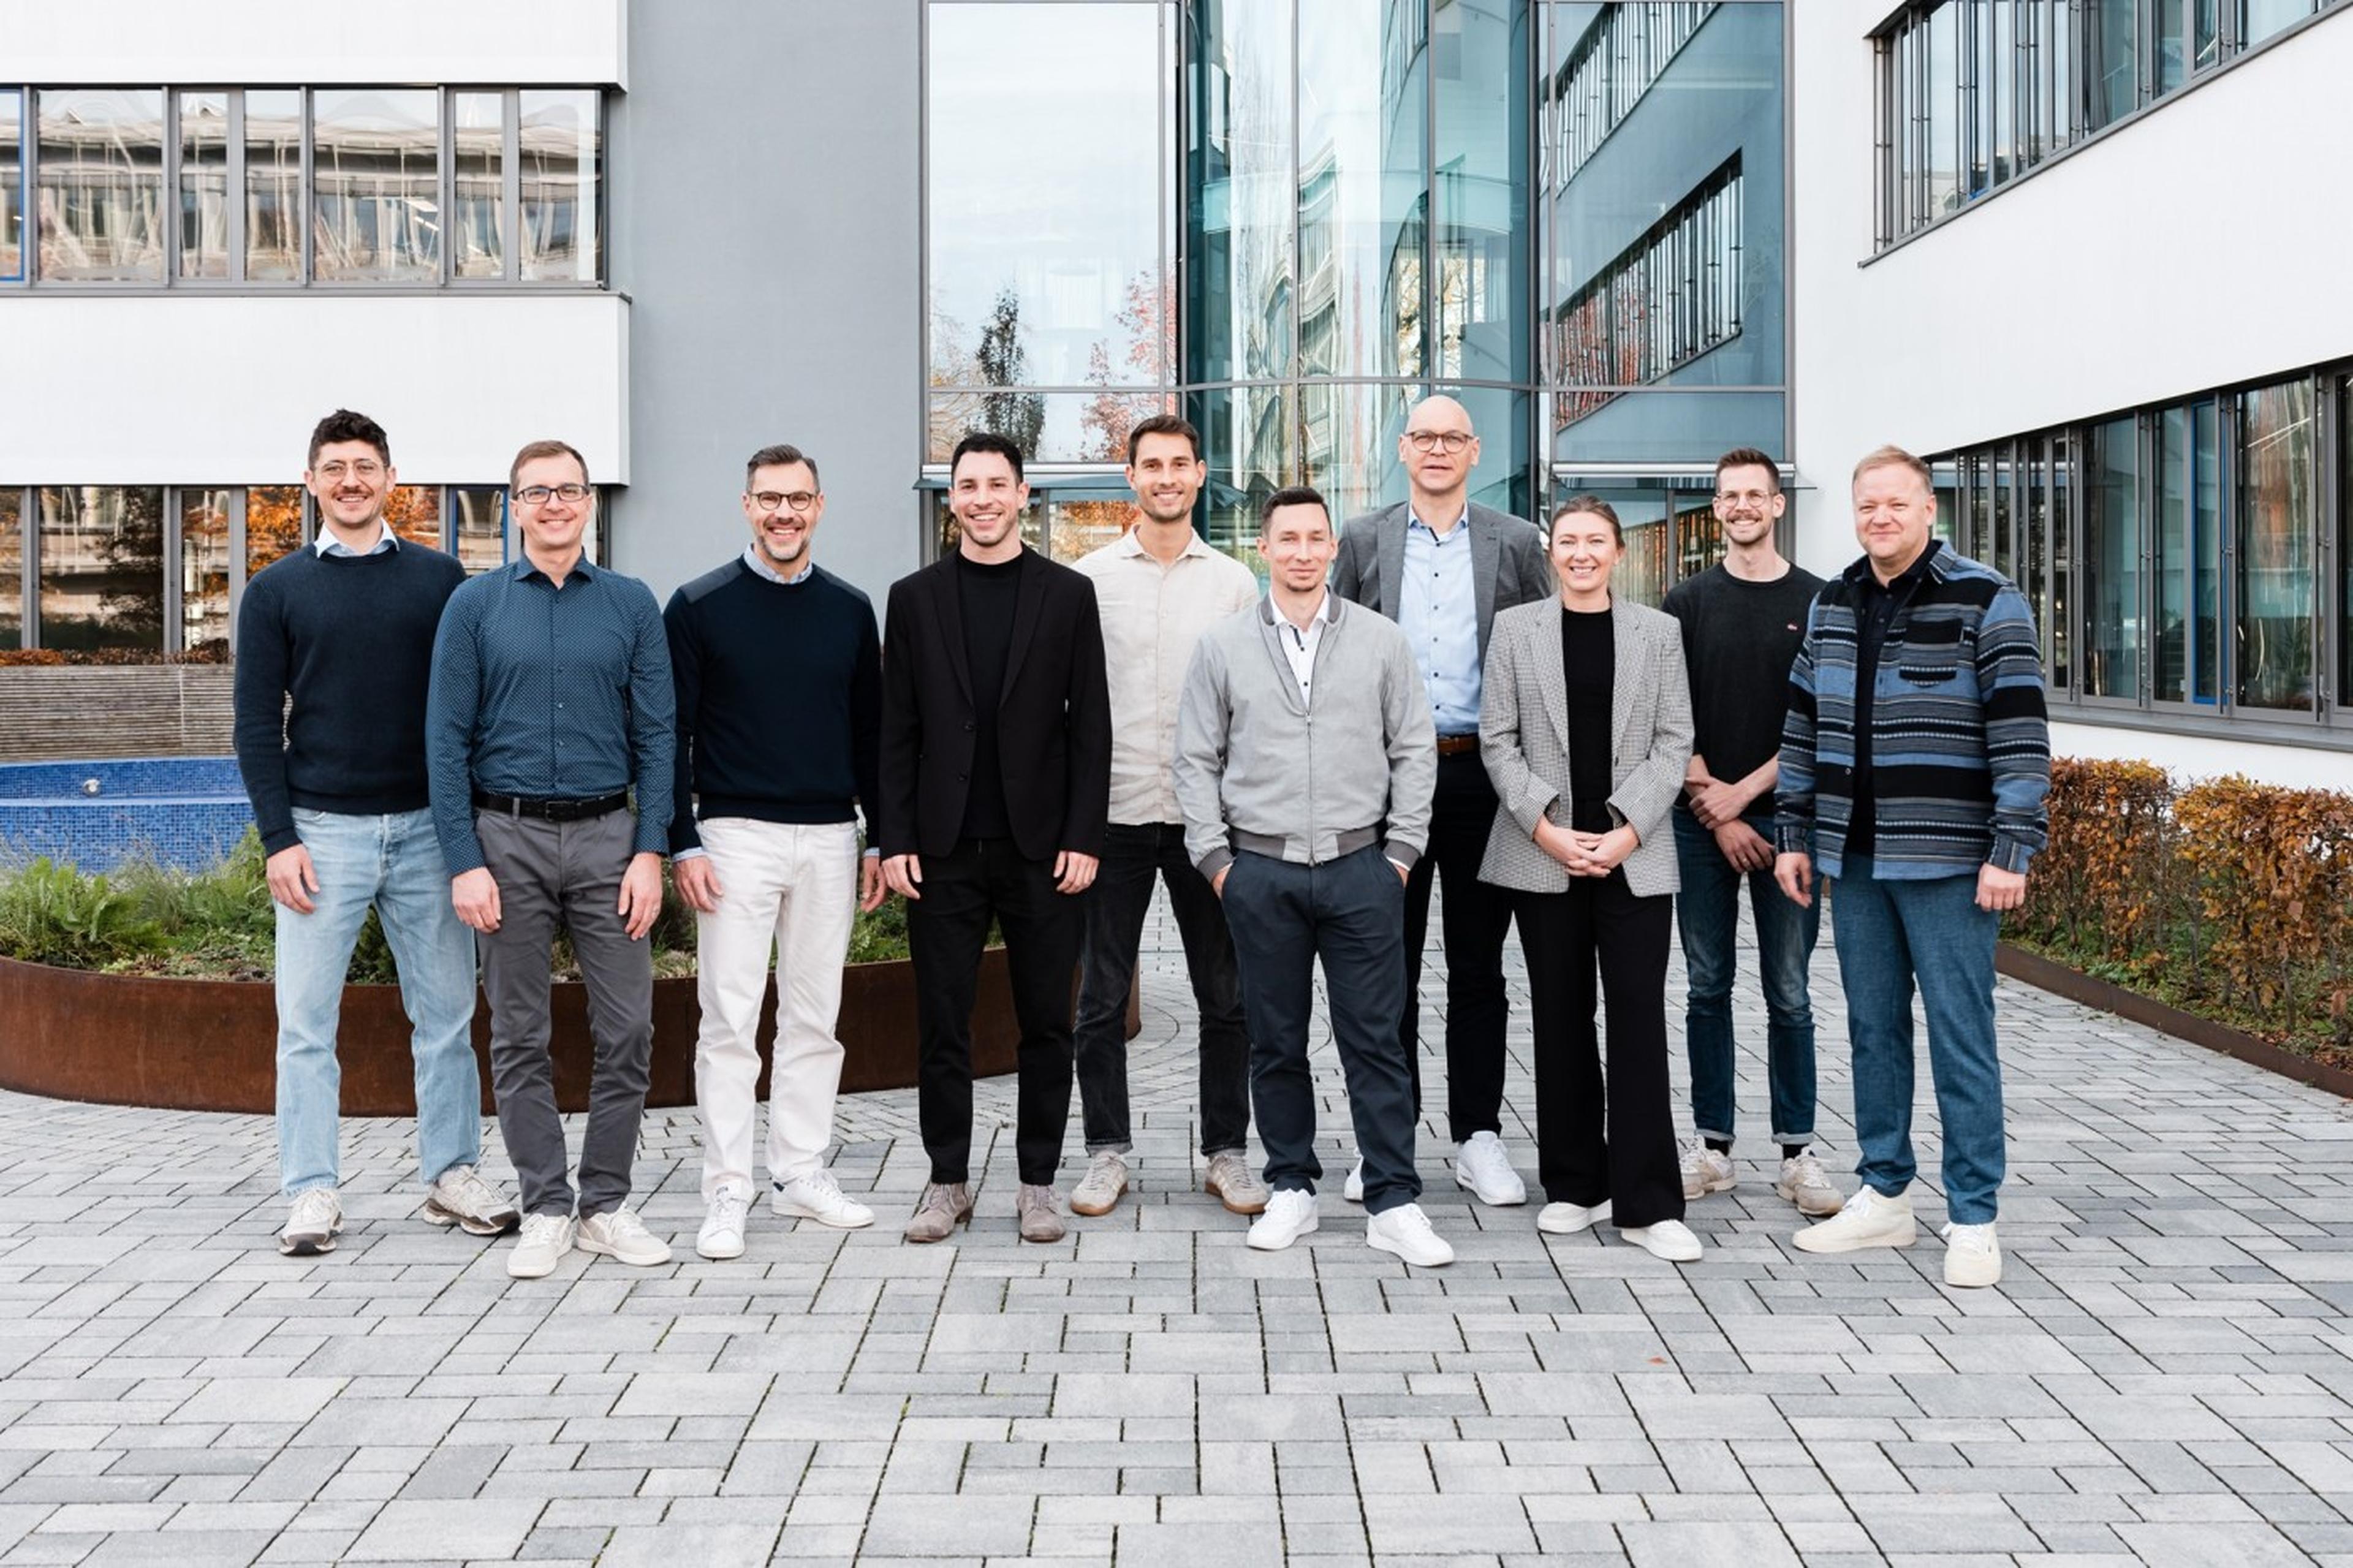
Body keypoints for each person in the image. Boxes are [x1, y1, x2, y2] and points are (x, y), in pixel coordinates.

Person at [233, 408, 517, 1256]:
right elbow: (255, 724)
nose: (351, 480)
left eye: (365, 465)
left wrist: (466, 829)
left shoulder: (440, 580)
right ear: (311, 482)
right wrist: (279, 837)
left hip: (431, 833)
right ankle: (312, 1190)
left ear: (393, 479)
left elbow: (470, 708)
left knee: (445, 1015)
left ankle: (451, 1174)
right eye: (334, 467)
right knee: (307, 1025)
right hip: (323, 834)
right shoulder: (275, 590)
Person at [1776, 445, 2049, 1289]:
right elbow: (1799, 729)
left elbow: (2020, 734)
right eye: (1868, 506)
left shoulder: (1986, 599)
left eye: (1897, 503)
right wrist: (1793, 832)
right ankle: (1885, 1190)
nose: (1881, 518)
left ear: (1930, 508)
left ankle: (1973, 1211)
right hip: (1852, 858)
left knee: (1961, 1035)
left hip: (1947, 862)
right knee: (1872, 1028)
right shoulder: (1830, 602)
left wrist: (2014, 847)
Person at [1172, 485, 1449, 1267]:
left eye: (1314, 539)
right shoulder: (1222, 646)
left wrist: (1401, 853)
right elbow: (1195, 758)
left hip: (1363, 867)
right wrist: (1216, 860)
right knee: (1275, 1040)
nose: (1301, 552)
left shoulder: (1381, 640)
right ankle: (1291, 1186)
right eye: (1286, 539)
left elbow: (1413, 749)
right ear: (1265, 549)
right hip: (1259, 872)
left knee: (1376, 1042)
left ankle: (1394, 1199)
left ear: (1333, 549)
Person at [426, 439, 676, 1279]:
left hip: (610, 835)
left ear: (590, 501)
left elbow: (659, 735)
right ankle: (545, 1203)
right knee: (519, 1031)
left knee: (630, 1026)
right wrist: (464, 858)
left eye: (569, 489)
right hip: (508, 838)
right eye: (538, 491)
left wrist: (652, 848)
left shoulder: (633, 603)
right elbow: (445, 738)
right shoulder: (474, 606)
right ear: (515, 505)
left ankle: (604, 1203)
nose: (556, 503)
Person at [877, 431, 1112, 1244]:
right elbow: (896, 728)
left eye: (996, 484)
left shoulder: (1068, 595)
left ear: (1022, 495)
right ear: (953, 500)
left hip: (1042, 847)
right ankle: (947, 1181)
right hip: (941, 848)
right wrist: (893, 834)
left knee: (1047, 1020)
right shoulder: (912, 598)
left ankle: (1037, 1183)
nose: (981, 497)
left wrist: (1085, 834)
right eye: (966, 485)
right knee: (942, 1021)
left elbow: (1093, 730)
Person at [1333, 394, 1553, 1208]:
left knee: (1478, 966)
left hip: (1481, 776)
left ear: (1474, 449)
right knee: (1381, 968)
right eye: (1422, 436)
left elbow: (1540, 651)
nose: (1435, 448)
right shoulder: (1362, 540)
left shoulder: (1515, 540)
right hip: (1387, 781)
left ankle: (1477, 1135)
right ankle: (1385, 1139)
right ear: (1403, 447)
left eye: (1450, 437)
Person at [666, 444, 885, 1260]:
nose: (784, 513)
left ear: (820, 506)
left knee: (814, 1017)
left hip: (831, 834)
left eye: (799, 499)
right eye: (769, 499)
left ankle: (801, 1171)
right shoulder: (698, 605)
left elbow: (872, 732)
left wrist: (880, 835)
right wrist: (681, 837)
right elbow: (671, 733)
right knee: (728, 1019)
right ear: (746, 504)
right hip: (734, 835)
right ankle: (727, 1187)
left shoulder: (851, 609)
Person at [1476, 497, 1700, 1263]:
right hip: (1544, 856)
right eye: (1568, 541)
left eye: (1594, 541)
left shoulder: (1658, 633)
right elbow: (1496, 738)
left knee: (1638, 1022)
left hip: (1635, 857)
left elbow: (1675, 743)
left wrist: (1627, 830)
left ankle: (1648, 1202)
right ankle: (1576, 1186)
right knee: (1560, 1019)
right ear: (1552, 551)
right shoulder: (1517, 630)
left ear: (1617, 551)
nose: (1580, 553)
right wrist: (1544, 826)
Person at [1067, 414, 1267, 1219]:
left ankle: (1226, 1151)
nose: (1166, 477)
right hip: (1111, 814)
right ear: (1131, 477)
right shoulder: (1086, 579)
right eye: (1151, 465)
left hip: (1204, 821)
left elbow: (1251, 709)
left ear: (1199, 472)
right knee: (1099, 997)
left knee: (1227, 994)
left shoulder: (1234, 583)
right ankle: (1105, 1153)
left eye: (1179, 464)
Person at [1661, 450, 1836, 1217]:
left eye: (1753, 496)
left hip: (1787, 820)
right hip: (1699, 822)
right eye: (1728, 496)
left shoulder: (1821, 602)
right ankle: (1713, 1147)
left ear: (1777, 506)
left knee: (1790, 991)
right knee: (1707, 986)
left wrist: (1743, 797)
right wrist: (1713, 803)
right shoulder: (1686, 602)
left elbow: (1822, 722)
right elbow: (1666, 715)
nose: (1740, 507)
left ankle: (1799, 1153)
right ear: (1718, 508)